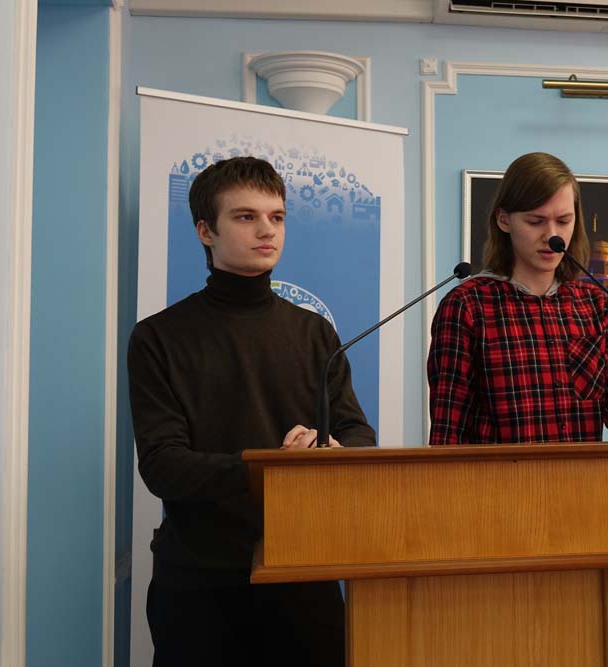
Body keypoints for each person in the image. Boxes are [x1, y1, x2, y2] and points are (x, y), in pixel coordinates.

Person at [128, 156, 375, 666]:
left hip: (303, 571)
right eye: (246, 217)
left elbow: (357, 433)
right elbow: (162, 465)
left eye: (276, 217)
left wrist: (331, 450)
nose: (267, 230)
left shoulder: (315, 332)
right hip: (201, 584)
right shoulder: (158, 337)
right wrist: (271, 466)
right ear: (205, 230)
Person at [428, 152, 608, 445]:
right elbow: (449, 431)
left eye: (563, 221)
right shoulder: (466, 306)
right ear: (504, 220)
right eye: (536, 221)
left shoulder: (593, 304)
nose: (552, 236)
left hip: (580, 475)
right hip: (500, 476)